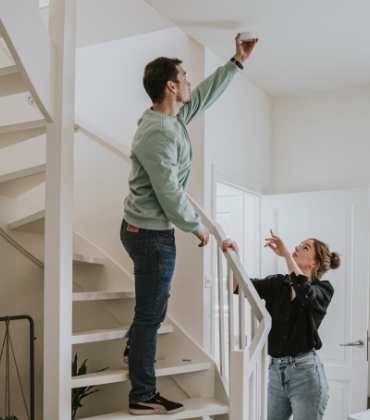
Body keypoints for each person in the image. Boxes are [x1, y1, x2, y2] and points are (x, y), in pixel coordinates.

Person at [120, 34, 259, 415]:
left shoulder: (170, 119)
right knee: (151, 314)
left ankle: (137, 348)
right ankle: (142, 396)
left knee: (150, 311)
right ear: (170, 85)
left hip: (148, 230)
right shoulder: (158, 133)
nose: (188, 82)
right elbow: (168, 191)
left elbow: (203, 96)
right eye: (184, 76)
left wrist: (236, 62)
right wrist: (198, 227)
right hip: (149, 235)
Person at [222, 229, 340, 420]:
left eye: (305, 247)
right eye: (300, 244)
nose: (297, 247)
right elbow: (239, 288)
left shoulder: (324, 289)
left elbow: (305, 292)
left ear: (314, 263)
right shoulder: (278, 283)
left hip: (306, 375)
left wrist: (286, 254)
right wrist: (235, 258)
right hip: (276, 373)